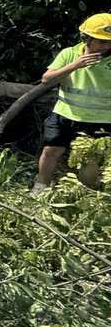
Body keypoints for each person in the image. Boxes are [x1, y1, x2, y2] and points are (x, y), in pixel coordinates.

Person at [33, 12, 111, 192]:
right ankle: (39, 189)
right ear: (87, 38)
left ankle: (84, 195)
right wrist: (75, 65)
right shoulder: (69, 54)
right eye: (102, 41)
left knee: (89, 163)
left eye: (110, 42)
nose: (106, 47)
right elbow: (47, 79)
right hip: (64, 115)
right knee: (50, 151)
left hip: (101, 120)